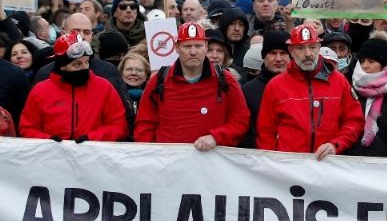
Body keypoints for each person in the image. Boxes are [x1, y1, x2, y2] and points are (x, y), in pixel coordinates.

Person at [134, 22, 250, 150]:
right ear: (177, 47)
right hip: (168, 163)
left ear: (206, 46)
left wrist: (216, 137)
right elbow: (144, 125)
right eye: (187, 46)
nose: (193, 52)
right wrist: (151, 155)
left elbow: (240, 120)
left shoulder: (225, 79)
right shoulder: (159, 80)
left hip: (211, 162)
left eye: (198, 46)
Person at [256, 24, 364, 159]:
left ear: (319, 48)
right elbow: (266, 132)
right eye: (300, 48)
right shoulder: (275, 86)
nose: (308, 54)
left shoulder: (339, 82)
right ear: (291, 50)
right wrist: (273, 163)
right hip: (288, 169)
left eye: (312, 47)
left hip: (328, 166)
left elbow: (354, 121)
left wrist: (336, 144)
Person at [19, 33, 127, 142]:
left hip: (94, 155)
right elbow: (27, 128)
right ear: (62, 66)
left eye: (86, 62)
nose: (84, 67)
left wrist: (91, 138)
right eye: (77, 64)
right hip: (52, 155)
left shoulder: (104, 88)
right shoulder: (40, 91)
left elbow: (118, 125)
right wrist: (49, 141)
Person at [348, 37, 387, 156]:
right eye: (362, 60)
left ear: (384, 64)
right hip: (353, 160)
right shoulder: (351, 89)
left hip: (384, 163)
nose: (365, 65)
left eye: (371, 61)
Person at [239, 31, 290, 148]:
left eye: (283, 53)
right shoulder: (248, 91)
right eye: (273, 53)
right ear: (263, 56)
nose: (278, 58)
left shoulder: (301, 88)